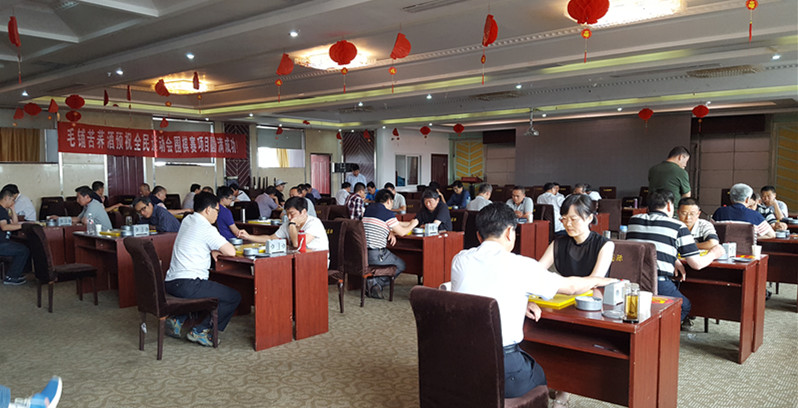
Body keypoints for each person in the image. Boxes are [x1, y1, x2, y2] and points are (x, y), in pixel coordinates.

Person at [451, 203, 616, 401]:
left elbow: (479, 288)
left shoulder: (459, 260)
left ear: (479, 236)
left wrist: (521, 298)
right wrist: (600, 280)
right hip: (502, 365)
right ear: (510, 232)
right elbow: (571, 287)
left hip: (461, 360)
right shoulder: (521, 265)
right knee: (539, 377)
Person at [627, 189, 726, 329]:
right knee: (684, 306)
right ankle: (656, 333)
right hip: (657, 282)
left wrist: (673, 258)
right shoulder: (677, 226)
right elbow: (697, 264)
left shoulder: (634, 220)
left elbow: (649, 245)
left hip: (631, 282)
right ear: (669, 205)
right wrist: (714, 253)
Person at [164, 192, 241, 347]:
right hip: (188, 285)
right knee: (233, 297)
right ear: (208, 210)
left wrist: (212, 249)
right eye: (217, 211)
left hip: (171, 282)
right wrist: (215, 249)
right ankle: (201, 331)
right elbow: (231, 251)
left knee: (208, 287)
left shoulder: (188, 220)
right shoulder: (206, 228)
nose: (217, 215)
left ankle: (178, 319)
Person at [538, 194, 615, 278]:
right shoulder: (558, 243)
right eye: (564, 219)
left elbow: (594, 280)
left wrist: (562, 282)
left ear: (589, 218)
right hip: (565, 286)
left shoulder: (604, 245)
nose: (568, 224)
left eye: (573, 219)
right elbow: (538, 270)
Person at [362, 189, 419, 299]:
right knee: (400, 265)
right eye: (392, 202)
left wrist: (390, 231)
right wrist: (413, 224)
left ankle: (373, 282)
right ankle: (375, 283)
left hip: (363, 254)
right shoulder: (387, 213)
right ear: (389, 201)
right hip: (376, 255)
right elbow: (402, 232)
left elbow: (383, 224)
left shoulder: (369, 209)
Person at [239, 197, 329, 264]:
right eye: (287, 214)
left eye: (292, 214)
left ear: (304, 212)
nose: (289, 217)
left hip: (317, 260)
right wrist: (249, 236)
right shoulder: (288, 223)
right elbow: (271, 238)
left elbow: (297, 244)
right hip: (297, 259)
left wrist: (292, 224)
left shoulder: (314, 223)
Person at [0, 187, 29, 285]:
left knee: (22, 247)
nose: (13, 202)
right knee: (23, 250)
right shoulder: (0, 210)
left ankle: (13, 274)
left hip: (4, 241)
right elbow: (4, 227)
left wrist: (13, 209)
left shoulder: (3, 210)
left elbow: (14, 223)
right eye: (12, 200)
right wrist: (23, 226)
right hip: (1, 243)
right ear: (6, 198)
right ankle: (11, 277)